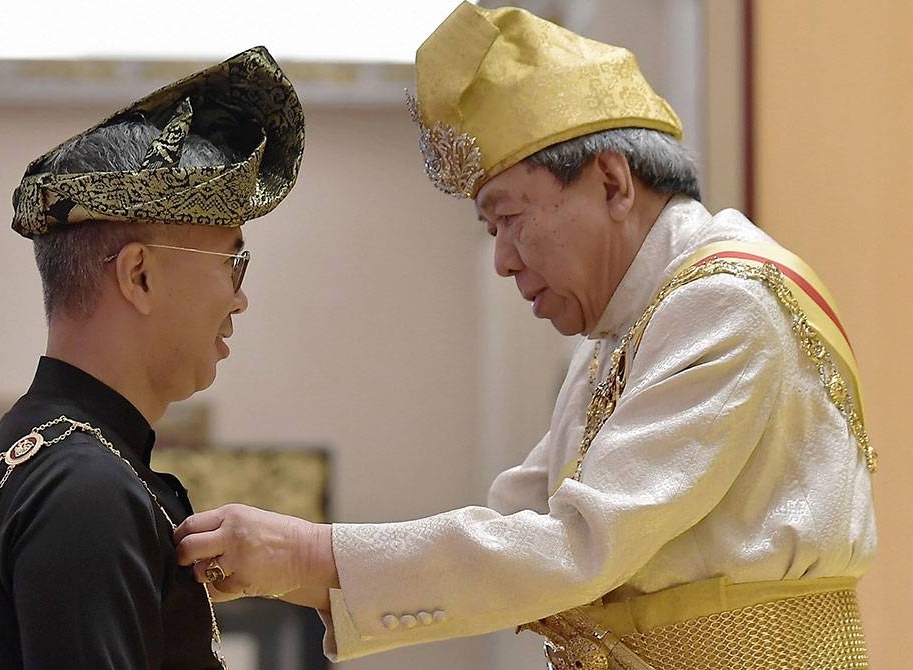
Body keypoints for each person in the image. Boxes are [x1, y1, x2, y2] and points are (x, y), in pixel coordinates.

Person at [174, 4, 877, 668]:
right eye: (491, 230)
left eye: (507, 217)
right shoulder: (625, 324)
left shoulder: (726, 302)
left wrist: (309, 554)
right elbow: (518, 520)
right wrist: (295, 567)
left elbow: (576, 543)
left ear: (611, 181)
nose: (505, 258)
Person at [0, 47, 304, 668]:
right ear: (139, 276)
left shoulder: (31, 453)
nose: (239, 298)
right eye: (231, 261)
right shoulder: (86, 489)